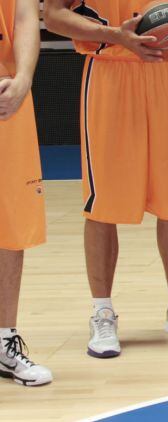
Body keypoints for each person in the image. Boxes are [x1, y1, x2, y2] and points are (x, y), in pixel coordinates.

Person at [43, 0, 168, 358]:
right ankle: (102, 312)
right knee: (103, 204)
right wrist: (114, 36)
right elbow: (54, 16)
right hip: (110, 71)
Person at [0, 0, 52, 386]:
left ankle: (3, 341)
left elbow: (24, 17)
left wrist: (23, 80)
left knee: (10, 226)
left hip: (6, 95)